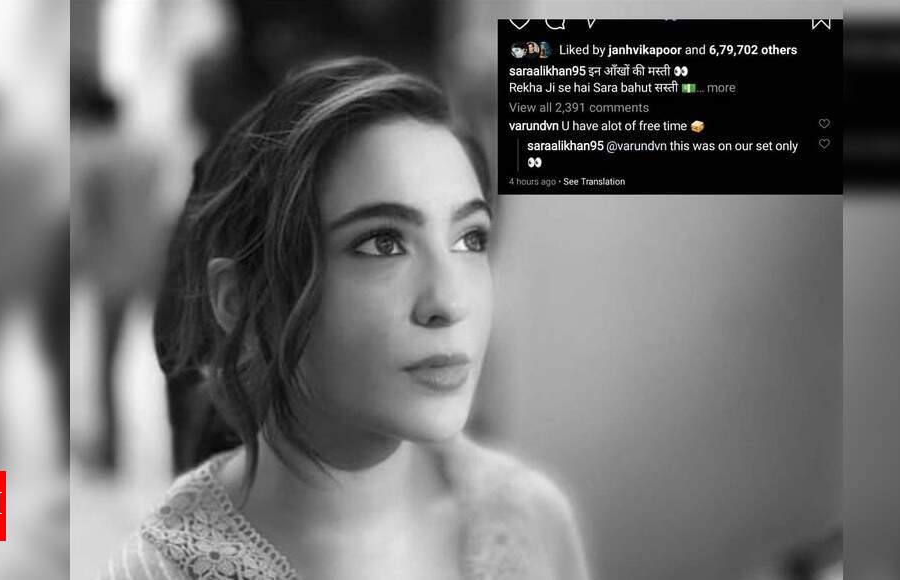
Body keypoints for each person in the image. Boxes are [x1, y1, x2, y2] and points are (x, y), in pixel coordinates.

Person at [103, 56, 590, 580]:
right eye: (383, 243)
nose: (449, 302)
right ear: (239, 299)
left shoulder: (532, 520)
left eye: (470, 239)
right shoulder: (157, 571)